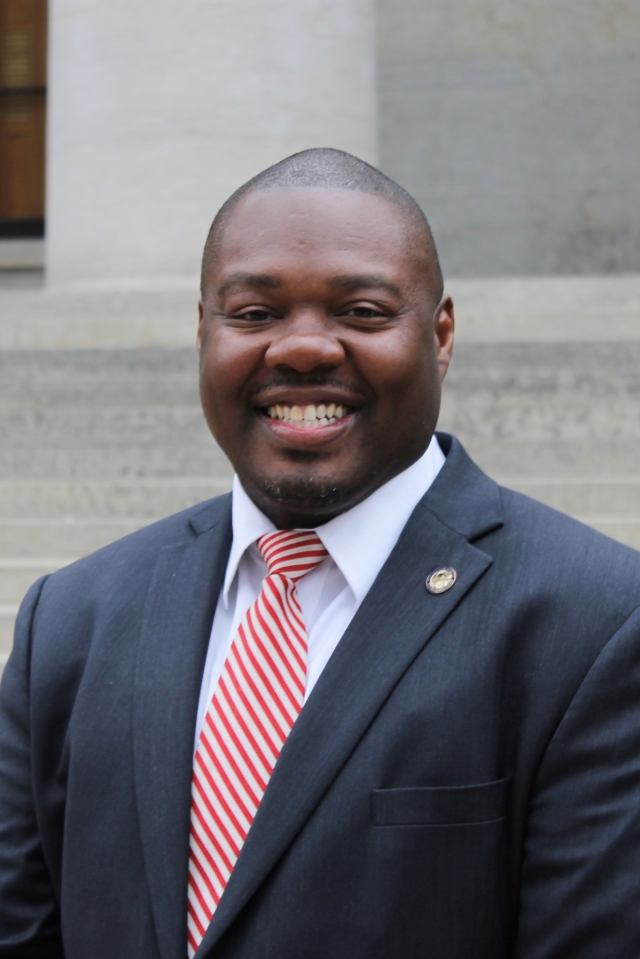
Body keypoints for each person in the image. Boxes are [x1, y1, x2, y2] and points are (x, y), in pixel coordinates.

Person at [1, 148, 640, 959]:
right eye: (254, 313)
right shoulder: (71, 620)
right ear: (202, 332)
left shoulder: (598, 622)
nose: (302, 348)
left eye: (363, 311)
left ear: (441, 335)